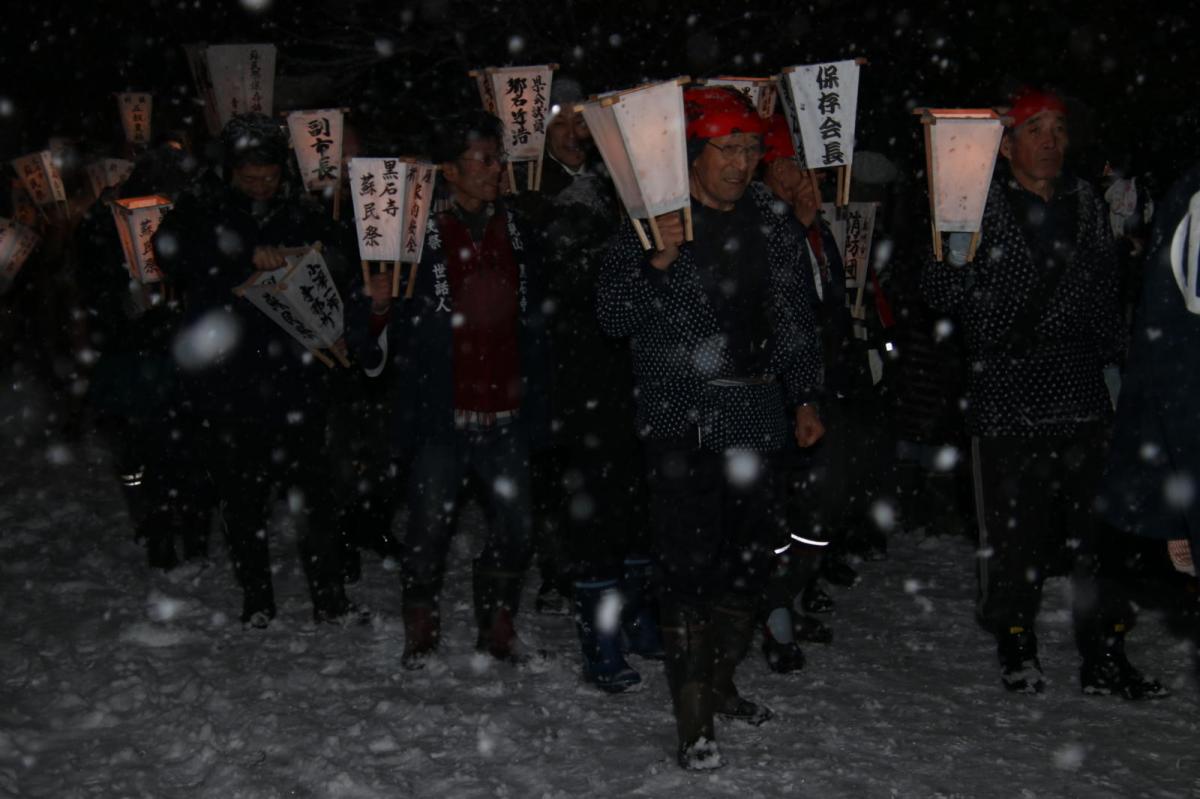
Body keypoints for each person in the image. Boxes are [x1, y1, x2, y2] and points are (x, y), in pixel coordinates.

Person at [597, 86, 823, 769]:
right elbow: (612, 315)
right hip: (683, 418)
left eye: (751, 147)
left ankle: (721, 682)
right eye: (727, 147)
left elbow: (795, 314)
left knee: (752, 561)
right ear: (693, 154)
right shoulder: (649, 218)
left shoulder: (771, 218)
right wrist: (656, 258)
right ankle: (692, 716)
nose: (741, 161)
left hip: (757, 412)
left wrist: (806, 394)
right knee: (688, 567)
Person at [921, 87, 1164, 698]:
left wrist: (1120, 371)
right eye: (1036, 130)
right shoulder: (971, 202)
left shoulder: (1087, 203)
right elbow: (941, 300)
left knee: (1099, 532)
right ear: (1006, 146)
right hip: (1006, 387)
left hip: (1082, 388)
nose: (1051, 141)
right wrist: (950, 257)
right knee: (1013, 530)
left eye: (1058, 129)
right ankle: (1016, 639)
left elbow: (1108, 296)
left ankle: (1105, 651)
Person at [349, 110, 549, 668]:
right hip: (442, 412)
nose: (495, 171)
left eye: (498, 159)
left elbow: (539, 321)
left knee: (516, 526)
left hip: (506, 411)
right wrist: (380, 306)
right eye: (483, 160)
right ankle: (421, 624)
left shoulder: (519, 231)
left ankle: (498, 621)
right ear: (449, 171)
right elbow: (365, 340)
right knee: (427, 527)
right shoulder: (411, 236)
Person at [154, 112, 363, 629]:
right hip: (230, 376)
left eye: (268, 174)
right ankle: (257, 597)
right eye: (250, 175)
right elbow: (168, 251)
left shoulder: (301, 205)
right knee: (242, 494)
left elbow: (341, 257)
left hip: (297, 373)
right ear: (230, 170)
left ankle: (329, 596)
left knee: (313, 492)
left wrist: (305, 258)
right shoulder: (203, 205)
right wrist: (241, 258)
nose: (261, 183)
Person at [514, 78, 662, 693]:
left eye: (584, 120)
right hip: (577, 368)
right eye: (562, 120)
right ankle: (598, 633)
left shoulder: (620, 181)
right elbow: (572, 282)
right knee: (595, 502)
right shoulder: (529, 191)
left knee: (641, 496)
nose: (576, 131)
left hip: (638, 367)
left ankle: (635, 611)